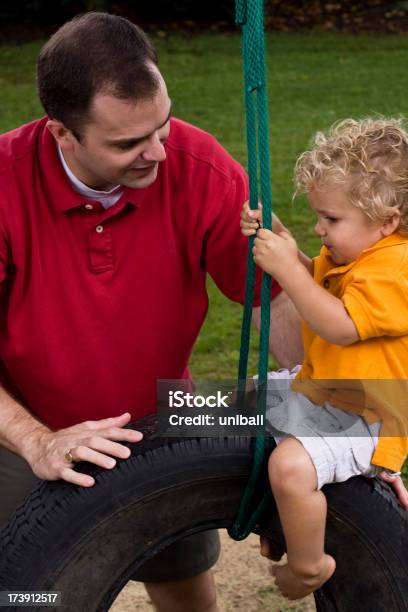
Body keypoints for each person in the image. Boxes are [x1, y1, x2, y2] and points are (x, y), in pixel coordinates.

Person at [0, 11, 302, 612]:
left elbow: (287, 295)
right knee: (31, 595)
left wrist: (344, 432)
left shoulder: (196, 163)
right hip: (23, 427)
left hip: (168, 407)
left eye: (161, 126)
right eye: (127, 143)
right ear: (63, 133)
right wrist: (37, 440)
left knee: (184, 582)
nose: (158, 153)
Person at [241, 117, 408, 600]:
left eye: (330, 220)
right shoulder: (359, 250)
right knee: (232, 407)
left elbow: (340, 324)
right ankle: (280, 518)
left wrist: (285, 271)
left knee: (291, 468)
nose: (319, 229)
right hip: (326, 389)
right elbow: (316, 278)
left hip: (368, 415)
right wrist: (285, 250)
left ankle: (309, 566)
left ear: (387, 221)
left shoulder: (396, 269)